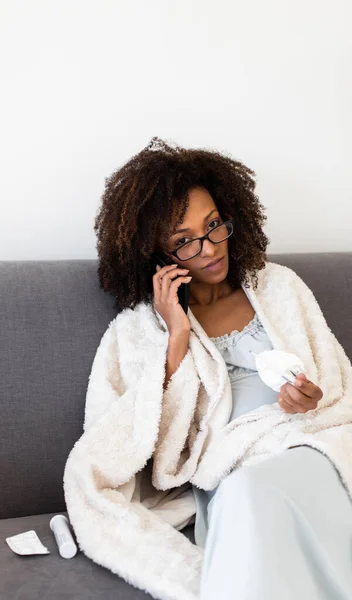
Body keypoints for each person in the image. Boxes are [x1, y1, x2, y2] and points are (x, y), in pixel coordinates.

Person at [93, 136, 352, 599]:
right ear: (156, 254)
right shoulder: (138, 331)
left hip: (308, 446)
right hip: (232, 471)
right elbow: (155, 448)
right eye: (184, 241)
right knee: (245, 494)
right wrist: (176, 335)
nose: (210, 248)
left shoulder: (278, 287)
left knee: (265, 486)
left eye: (214, 226)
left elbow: (335, 389)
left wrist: (308, 398)